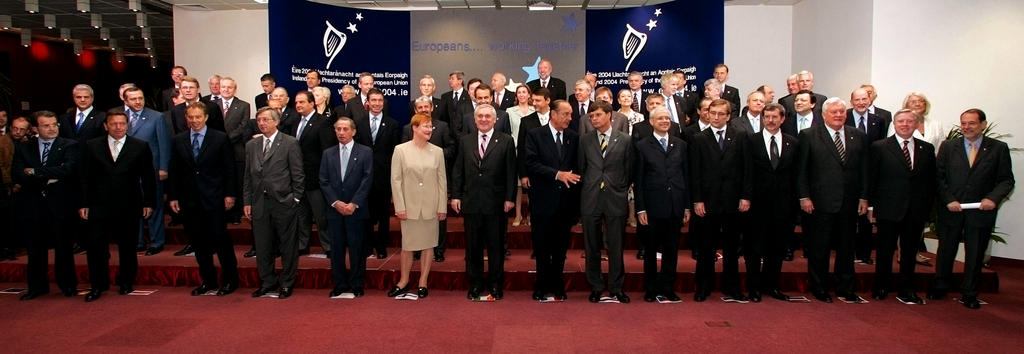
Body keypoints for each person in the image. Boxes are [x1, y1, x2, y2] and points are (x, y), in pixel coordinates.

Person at [930, 108, 1014, 309]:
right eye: (964, 123)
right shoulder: (949, 146)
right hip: (952, 208)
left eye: (972, 123)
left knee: (975, 252)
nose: (967, 127)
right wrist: (948, 199)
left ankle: (969, 293)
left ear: (983, 125)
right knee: (946, 249)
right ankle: (941, 286)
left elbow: (1006, 180)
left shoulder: (998, 148)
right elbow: (938, 177)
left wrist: (992, 199)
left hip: (980, 210)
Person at [78, 109, 156, 302]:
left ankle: (126, 282)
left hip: (129, 204)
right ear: (106, 126)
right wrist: (84, 203)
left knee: (128, 247)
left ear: (127, 125)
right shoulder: (92, 146)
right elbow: (84, 177)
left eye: (122, 123)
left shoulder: (140, 146)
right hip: (98, 205)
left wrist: (149, 202)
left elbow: (148, 177)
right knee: (96, 247)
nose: (118, 127)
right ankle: (98, 285)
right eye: (114, 124)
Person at [797, 97, 869, 303]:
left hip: (849, 202)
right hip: (819, 202)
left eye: (841, 112)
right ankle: (819, 288)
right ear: (823, 114)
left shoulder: (858, 136)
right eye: (834, 112)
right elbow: (801, 170)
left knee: (847, 248)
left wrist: (864, 196)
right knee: (819, 248)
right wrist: (804, 196)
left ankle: (845, 287)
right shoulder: (809, 135)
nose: (838, 115)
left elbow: (864, 169)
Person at [167, 102, 240, 296]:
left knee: (220, 240)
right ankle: (208, 281)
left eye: (198, 117)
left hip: (215, 198)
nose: (194, 121)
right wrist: (173, 196)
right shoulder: (178, 140)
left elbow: (229, 169)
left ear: (206, 117)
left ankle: (230, 281)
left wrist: (230, 194)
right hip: (190, 200)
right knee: (199, 244)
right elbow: (174, 170)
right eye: (191, 117)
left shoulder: (220, 138)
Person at [867, 109, 935, 304]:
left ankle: (907, 289)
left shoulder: (927, 149)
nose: (905, 125)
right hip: (888, 208)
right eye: (901, 121)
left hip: (916, 210)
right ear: (894, 124)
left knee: (909, 252)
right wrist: (872, 207)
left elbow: (930, 182)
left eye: (909, 121)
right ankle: (881, 286)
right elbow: (873, 178)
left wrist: (928, 209)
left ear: (916, 124)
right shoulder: (880, 147)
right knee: (885, 251)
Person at [689, 99, 752, 302]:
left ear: (728, 116)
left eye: (720, 114)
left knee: (732, 248)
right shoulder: (699, 138)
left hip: (734, 201)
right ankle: (703, 287)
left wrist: (745, 196)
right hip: (708, 202)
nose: (716, 117)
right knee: (706, 247)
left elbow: (747, 170)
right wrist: (697, 200)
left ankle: (731, 287)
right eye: (712, 113)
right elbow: (694, 172)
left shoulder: (741, 137)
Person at [451, 104, 516, 300]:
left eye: (488, 116)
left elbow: (511, 173)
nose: (484, 119)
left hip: (496, 203)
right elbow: (458, 171)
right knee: (473, 248)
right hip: (471, 203)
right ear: (474, 119)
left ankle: (496, 285)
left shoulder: (506, 141)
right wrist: (455, 195)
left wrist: (509, 198)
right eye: (480, 116)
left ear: (495, 119)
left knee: (496, 247)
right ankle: (476, 284)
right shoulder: (465, 141)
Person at [13, 111, 79, 300]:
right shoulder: (24, 147)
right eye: (46, 125)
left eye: (54, 124)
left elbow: (67, 170)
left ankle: (67, 285)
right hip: (33, 205)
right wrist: (47, 176)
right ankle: (37, 287)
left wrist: (34, 172)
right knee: (35, 250)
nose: (52, 129)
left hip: (60, 205)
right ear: (35, 129)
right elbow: (18, 173)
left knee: (63, 249)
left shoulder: (69, 145)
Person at [245, 107, 304, 299]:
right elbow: (247, 176)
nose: (261, 123)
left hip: (284, 202)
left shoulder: (289, 143)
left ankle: (287, 282)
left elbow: (298, 174)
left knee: (288, 246)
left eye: (265, 120)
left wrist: (294, 198)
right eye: (259, 120)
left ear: (276, 122)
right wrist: (247, 201)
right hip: (259, 203)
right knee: (262, 246)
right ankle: (268, 281)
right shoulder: (251, 146)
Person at [523, 99, 579, 301]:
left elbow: (577, 167)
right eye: (566, 114)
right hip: (542, 201)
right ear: (553, 114)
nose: (570, 118)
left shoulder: (573, 137)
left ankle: (557, 284)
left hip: (565, 203)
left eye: (571, 114)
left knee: (561, 248)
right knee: (542, 247)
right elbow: (531, 163)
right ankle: (541, 285)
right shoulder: (535, 135)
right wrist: (557, 174)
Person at [578, 101, 633, 303]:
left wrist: (618, 186)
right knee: (591, 246)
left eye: (598, 115)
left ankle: (616, 287)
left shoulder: (625, 140)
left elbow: (630, 169)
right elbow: (581, 168)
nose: (594, 119)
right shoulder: (585, 140)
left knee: (616, 245)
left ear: (610, 115)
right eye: (591, 116)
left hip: (615, 198)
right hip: (591, 198)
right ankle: (596, 286)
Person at [633, 107, 690, 303]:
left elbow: (686, 176)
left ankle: (667, 287)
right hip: (651, 207)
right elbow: (638, 180)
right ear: (651, 121)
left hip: (675, 205)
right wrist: (640, 208)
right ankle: (650, 288)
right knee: (649, 251)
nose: (665, 121)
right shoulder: (641, 146)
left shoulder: (681, 145)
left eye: (667, 118)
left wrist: (686, 206)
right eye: (660, 118)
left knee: (671, 250)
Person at [389, 113, 448, 298]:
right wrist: (400, 205)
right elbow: (395, 180)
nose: (429, 129)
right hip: (409, 206)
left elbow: (442, 181)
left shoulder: (437, 151)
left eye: (431, 126)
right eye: (425, 126)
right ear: (414, 128)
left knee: (429, 245)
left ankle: (423, 281)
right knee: (408, 245)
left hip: (431, 206)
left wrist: (442, 206)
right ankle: (404, 280)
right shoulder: (400, 150)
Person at [745, 103, 798, 302]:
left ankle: (771, 286)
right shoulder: (751, 141)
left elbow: (796, 174)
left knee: (777, 248)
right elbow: (747, 172)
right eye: (766, 116)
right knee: (754, 248)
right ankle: (754, 287)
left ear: (782, 119)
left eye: (775, 117)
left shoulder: (793, 142)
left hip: (784, 204)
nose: (770, 120)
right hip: (757, 204)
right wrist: (746, 197)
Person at [320, 117, 373, 298]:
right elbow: (324, 181)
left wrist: (353, 203)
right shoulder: (328, 153)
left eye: (345, 129)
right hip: (335, 210)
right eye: (338, 129)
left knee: (357, 248)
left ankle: (357, 283)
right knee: (336, 250)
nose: (341, 133)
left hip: (356, 209)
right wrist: (336, 202)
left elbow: (367, 180)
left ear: (353, 131)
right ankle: (340, 283)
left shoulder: (365, 152)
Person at [403, 96, 456, 262]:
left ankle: (438, 251)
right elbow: (404, 153)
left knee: (438, 218)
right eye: (420, 107)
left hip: (435, 177)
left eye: (427, 106)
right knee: (417, 218)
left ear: (432, 108)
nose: (424, 109)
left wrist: (435, 156)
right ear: (415, 110)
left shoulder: (442, 126)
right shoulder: (407, 129)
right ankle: (417, 250)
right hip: (414, 181)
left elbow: (451, 147)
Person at [123, 86, 172, 256]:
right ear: (126, 101)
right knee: (132, 206)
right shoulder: (121, 119)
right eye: (133, 99)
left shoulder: (157, 117)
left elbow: (164, 143)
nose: (137, 102)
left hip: (152, 169)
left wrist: (163, 167)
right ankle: (137, 241)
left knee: (155, 206)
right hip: (129, 171)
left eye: (140, 98)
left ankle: (157, 241)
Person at [353, 89, 401, 260]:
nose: (376, 103)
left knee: (383, 216)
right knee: (364, 214)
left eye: (380, 100)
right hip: (362, 177)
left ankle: (381, 247)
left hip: (383, 177)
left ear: (383, 102)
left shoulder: (393, 124)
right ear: (368, 102)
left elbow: (395, 153)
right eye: (373, 100)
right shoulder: (358, 123)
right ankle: (366, 246)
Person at [289, 91, 335, 257]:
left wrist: (324, 178)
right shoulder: (295, 122)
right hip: (298, 179)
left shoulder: (323, 122)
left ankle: (328, 246)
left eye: (302, 102)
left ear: (312, 103)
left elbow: (327, 152)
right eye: (296, 103)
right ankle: (303, 244)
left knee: (321, 216)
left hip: (316, 179)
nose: (299, 105)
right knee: (302, 215)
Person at [847, 87, 890, 265]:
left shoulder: (878, 121)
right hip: (848, 173)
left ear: (870, 100)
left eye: (864, 99)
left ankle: (864, 253)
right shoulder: (844, 117)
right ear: (851, 101)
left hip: (870, 174)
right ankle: (848, 252)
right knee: (848, 217)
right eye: (857, 99)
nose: (861, 102)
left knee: (865, 216)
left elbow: (881, 146)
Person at [219, 77, 252, 225]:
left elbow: (243, 126)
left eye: (229, 87)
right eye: (223, 87)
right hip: (216, 152)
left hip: (236, 150)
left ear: (235, 89)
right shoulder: (211, 105)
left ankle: (236, 214)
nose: (226, 89)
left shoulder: (244, 105)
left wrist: (224, 140)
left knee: (238, 182)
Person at [507, 84, 534, 227]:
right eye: (519, 92)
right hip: (515, 151)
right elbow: (508, 131)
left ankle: (530, 214)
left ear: (529, 95)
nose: (522, 95)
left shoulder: (535, 110)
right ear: (516, 96)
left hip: (532, 152)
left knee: (531, 184)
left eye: (524, 92)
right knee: (517, 185)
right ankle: (518, 214)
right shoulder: (510, 111)